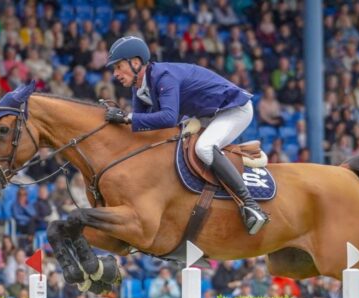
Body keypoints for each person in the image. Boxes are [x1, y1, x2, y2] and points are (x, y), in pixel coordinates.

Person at [103, 36, 268, 235]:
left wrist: (126, 117)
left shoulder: (164, 76)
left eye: (119, 67)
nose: (115, 74)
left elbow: (169, 118)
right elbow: (140, 129)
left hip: (233, 109)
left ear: (135, 62)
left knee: (204, 148)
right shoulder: (140, 89)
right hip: (207, 115)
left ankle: (250, 205)